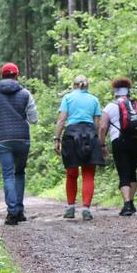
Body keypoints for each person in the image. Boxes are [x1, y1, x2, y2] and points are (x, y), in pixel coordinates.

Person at [0, 62, 38, 226]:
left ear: (2, 76)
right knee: (19, 173)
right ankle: (20, 210)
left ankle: (12, 212)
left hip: (3, 139)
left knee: (8, 174)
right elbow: (34, 119)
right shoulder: (25, 93)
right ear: (17, 75)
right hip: (23, 138)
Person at [54, 75, 104, 221]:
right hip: (90, 135)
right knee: (88, 174)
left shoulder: (68, 98)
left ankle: (70, 208)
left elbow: (62, 119)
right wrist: (99, 142)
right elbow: (97, 124)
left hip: (71, 135)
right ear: (87, 86)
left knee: (71, 173)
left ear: (73, 85)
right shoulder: (94, 99)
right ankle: (86, 209)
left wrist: (56, 138)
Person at [99, 77, 137, 216]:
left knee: (124, 172)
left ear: (115, 91)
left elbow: (103, 127)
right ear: (128, 91)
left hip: (120, 142)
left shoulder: (110, 106)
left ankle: (127, 204)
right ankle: (131, 203)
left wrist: (102, 144)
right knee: (132, 171)